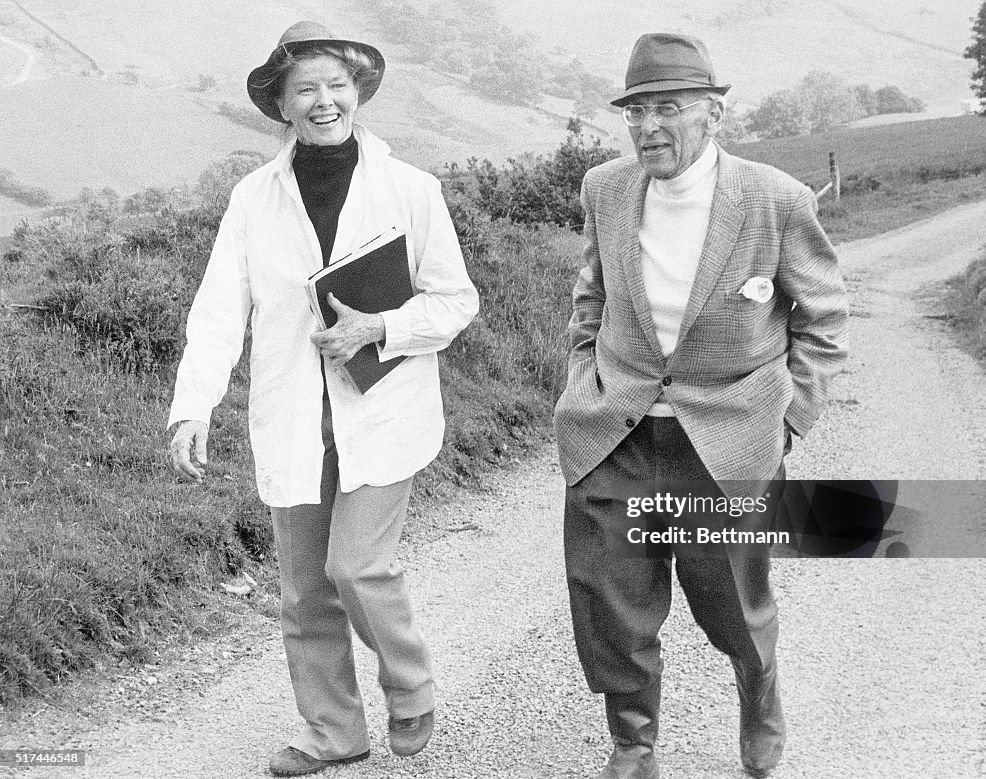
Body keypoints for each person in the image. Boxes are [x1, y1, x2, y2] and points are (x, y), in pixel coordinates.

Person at [167, 20, 478, 777]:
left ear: (358, 94)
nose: (323, 100)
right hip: (295, 416)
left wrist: (383, 325)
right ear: (281, 102)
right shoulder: (252, 199)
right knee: (305, 590)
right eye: (304, 88)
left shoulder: (411, 190)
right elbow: (218, 308)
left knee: (357, 568)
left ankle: (409, 682)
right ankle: (332, 729)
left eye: (336, 86)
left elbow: (456, 301)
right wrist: (192, 405)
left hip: (384, 409)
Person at [554, 33, 848, 778]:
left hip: (724, 443)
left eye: (670, 109)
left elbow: (823, 319)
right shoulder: (606, 189)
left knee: (731, 604)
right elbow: (590, 295)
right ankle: (633, 741)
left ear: (713, 114)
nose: (650, 127)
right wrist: (580, 378)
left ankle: (760, 692)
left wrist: (787, 421)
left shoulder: (774, 199)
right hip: (613, 432)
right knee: (610, 602)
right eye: (637, 112)